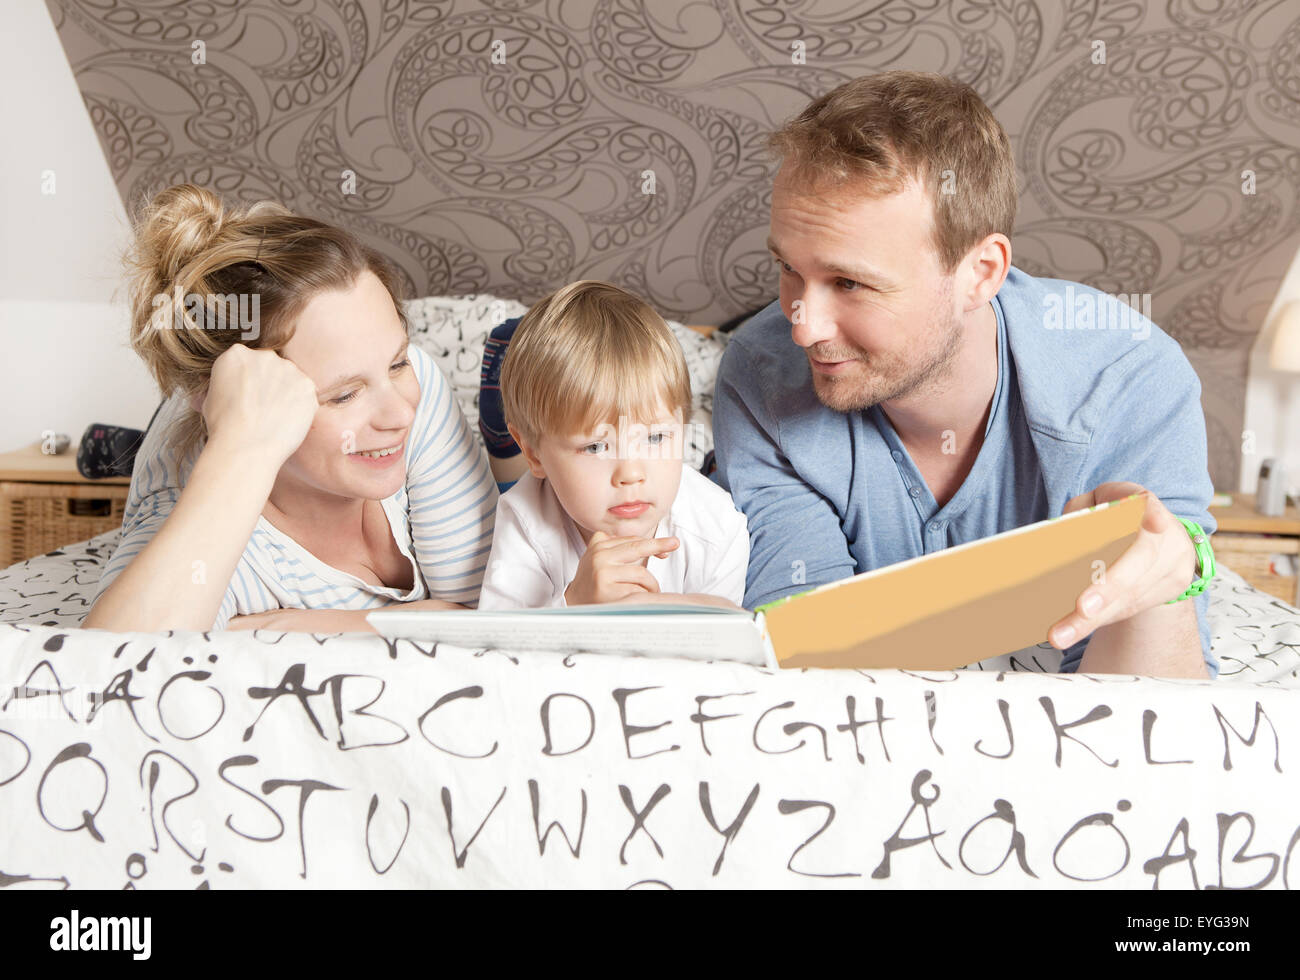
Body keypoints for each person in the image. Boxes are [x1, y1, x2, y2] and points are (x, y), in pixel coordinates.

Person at [711, 71, 1218, 678]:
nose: (804, 326)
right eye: (789, 269)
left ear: (980, 273)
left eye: (849, 282)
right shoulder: (760, 375)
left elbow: (1152, 725)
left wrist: (1159, 585)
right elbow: (808, 660)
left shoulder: (1128, 379)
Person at [83, 184, 497, 633]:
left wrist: (296, 625)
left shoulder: (414, 382)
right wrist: (239, 448)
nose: (400, 415)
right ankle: (136, 443)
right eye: (343, 395)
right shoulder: (217, 531)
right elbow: (113, 669)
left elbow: (493, 609)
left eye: (397, 362)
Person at [477, 280, 748, 609]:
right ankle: (505, 456)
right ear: (533, 453)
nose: (631, 473)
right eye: (595, 447)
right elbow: (500, 646)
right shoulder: (526, 520)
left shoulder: (717, 528)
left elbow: (725, 651)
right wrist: (573, 604)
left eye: (655, 438)